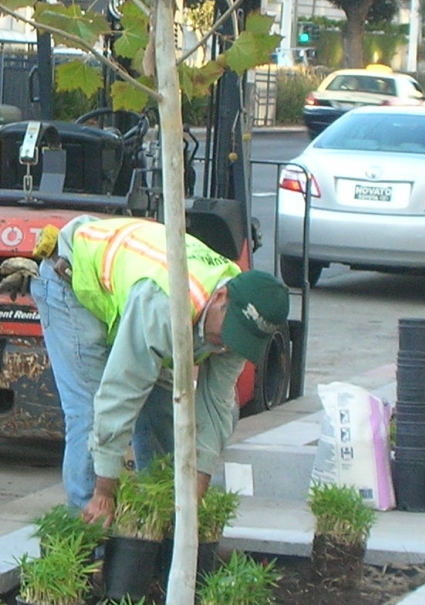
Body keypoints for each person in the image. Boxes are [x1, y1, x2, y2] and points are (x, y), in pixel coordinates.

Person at [22, 215, 287, 523]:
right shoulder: (166, 304)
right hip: (72, 277)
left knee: (161, 415)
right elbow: (121, 392)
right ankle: (89, 536)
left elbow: (214, 412)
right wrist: (105, 491)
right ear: (221, 297)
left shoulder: (238, 325)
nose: (226, 346)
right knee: (91, 414)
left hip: (132, 298)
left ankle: (155, 527)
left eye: (238, 341)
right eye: (228, 335)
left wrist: (192, 504)